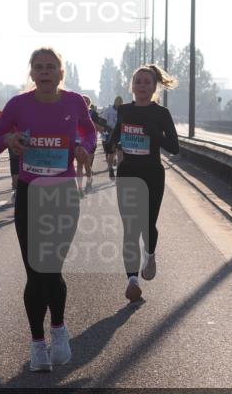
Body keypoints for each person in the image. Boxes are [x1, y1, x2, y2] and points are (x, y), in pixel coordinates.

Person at [0, 48, 96, 372]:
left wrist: (84, 148)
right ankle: (37, 343)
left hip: (63, 195)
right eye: (39, 67)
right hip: (30, 194)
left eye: (51, 67)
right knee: (36, 272)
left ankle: (58, 329)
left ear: (61, 73)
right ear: (31, 73)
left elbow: (89, 132)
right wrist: (10, 138)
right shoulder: (19, 105)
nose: (45, 72)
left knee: (51, 268)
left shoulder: (75, 102)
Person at [106, 65, 179, 303]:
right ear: (132, 85)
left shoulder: (161, 113)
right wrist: (112, 143)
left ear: (155, 86)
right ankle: (132, 280)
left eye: (147, 82)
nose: (142, 86)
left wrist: (153, 133)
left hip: (153, 175)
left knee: (148, 225)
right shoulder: (125, 110)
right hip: (127, 173)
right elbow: (116, 134)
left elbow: (174, 148)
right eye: (138, 82)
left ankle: (150, 253)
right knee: (130, 228)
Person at [74, 95, 97, 195]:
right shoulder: (73, 111)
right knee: (79, 165)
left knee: (87, 165)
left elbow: (95, 127)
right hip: (77, 140)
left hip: (88, 139)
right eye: (83, 100)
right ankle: (79, 189)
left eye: (87, 101)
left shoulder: (91, 113)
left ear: (89, 104)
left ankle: (88, 182)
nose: (85, 102)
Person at [101, 96, 123, 179]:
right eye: (117, 104)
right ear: (114, 103)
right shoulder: (108, 110)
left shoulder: (123, 110)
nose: (118, 106)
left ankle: (119, 172)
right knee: (111, 154)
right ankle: (110, 169)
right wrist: (109, 128)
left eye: (120, 105)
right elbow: (101, 121)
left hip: (121, 135)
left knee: (120, 154)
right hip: (111, 135)